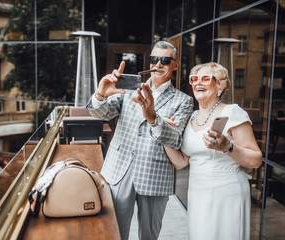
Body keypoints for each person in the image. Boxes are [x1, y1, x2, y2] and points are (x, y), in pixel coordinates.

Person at [86, 41, 194, 240]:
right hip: (119, 170)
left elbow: (175, 139)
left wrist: (153, 118)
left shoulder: (183, 101)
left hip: (155, 174)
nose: (158, 64)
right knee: (115, 233)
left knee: (149, 236)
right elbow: (100, 113)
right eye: (154, 59)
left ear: (175, 65)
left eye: (165, 60)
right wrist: (100, 94)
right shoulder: (129, 89)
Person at [163, 62, 262, 240]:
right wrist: (164, 134)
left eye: (205, 78)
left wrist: (227, 147)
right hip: (197, 191)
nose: (198, 83)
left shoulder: (233, 112)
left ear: (220, 85)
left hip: (228, 192)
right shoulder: (191, 117)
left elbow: (256, 160)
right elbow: (181, 162)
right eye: (194, 79)